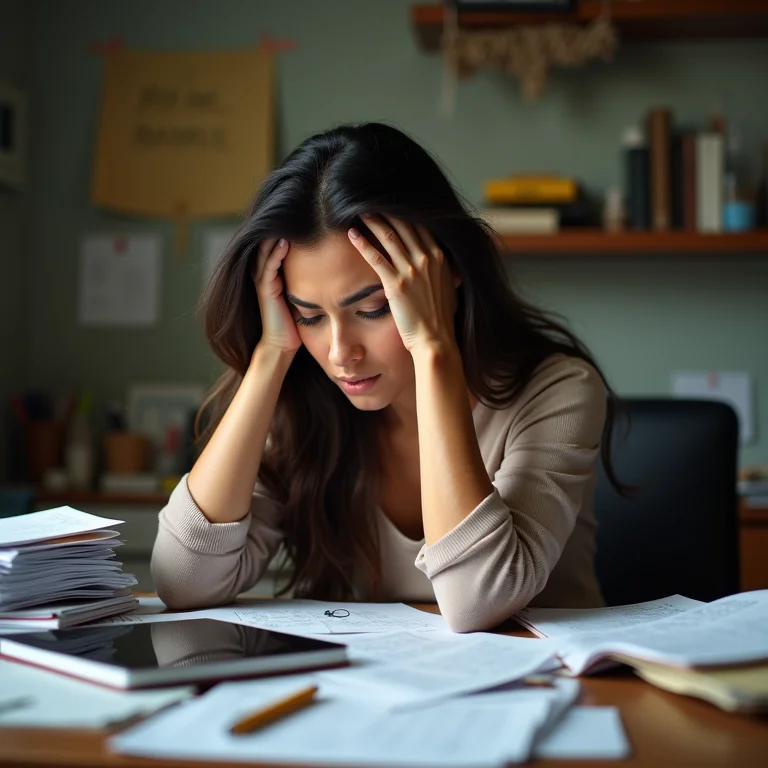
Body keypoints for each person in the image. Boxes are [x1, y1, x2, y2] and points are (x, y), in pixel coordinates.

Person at [151, 121, 625, 632]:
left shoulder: (559, 389)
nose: (340, 353)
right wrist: (271, 355)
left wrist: (433, 348)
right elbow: (183, 582)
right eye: (309, 316)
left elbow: (477, 602)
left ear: (446, 272)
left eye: (373, 309)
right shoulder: (303, 399)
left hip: (555, 676)